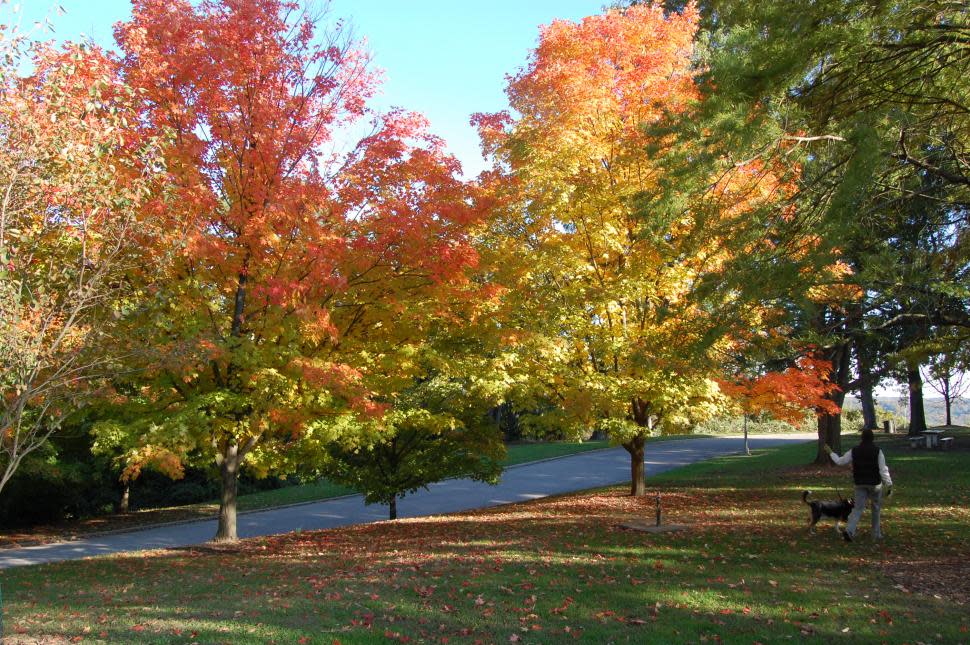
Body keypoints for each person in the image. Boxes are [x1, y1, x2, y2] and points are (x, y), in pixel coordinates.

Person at [824, 428, 893, 542]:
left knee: (857, 509)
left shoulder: (854, 450)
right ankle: (876, 534)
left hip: (859, 483)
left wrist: (831, 453)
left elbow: (840, 461)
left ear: (861, 438)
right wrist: (889, 484)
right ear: (872, 438)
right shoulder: (878, 451)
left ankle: (849, 530)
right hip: (874, 484)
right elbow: (883, 470)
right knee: (875, 508)